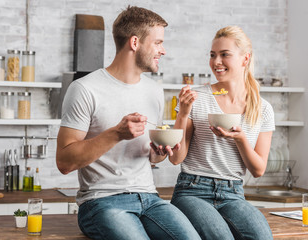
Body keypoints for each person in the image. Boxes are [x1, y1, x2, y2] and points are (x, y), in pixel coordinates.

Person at [56, 6, 200, 240]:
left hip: (150, 198)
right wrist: (115, 134)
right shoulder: (84, 89)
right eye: (158, 43)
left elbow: (152, 158)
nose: (163, 51)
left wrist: (158, 153)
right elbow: (64, 162)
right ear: (135, 42)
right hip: (101, 202)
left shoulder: (154, 90)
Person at [169, 25, 275, 240]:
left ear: (245, 59)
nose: (216, 62)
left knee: (262, 236)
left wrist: (241, 139)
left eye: (224, 55)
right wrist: (183, 114)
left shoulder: (263, 109)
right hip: (192, 191)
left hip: (233, 193)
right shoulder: (196, 98)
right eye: (212, 55)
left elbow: (258, 170)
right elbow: (176, 158)